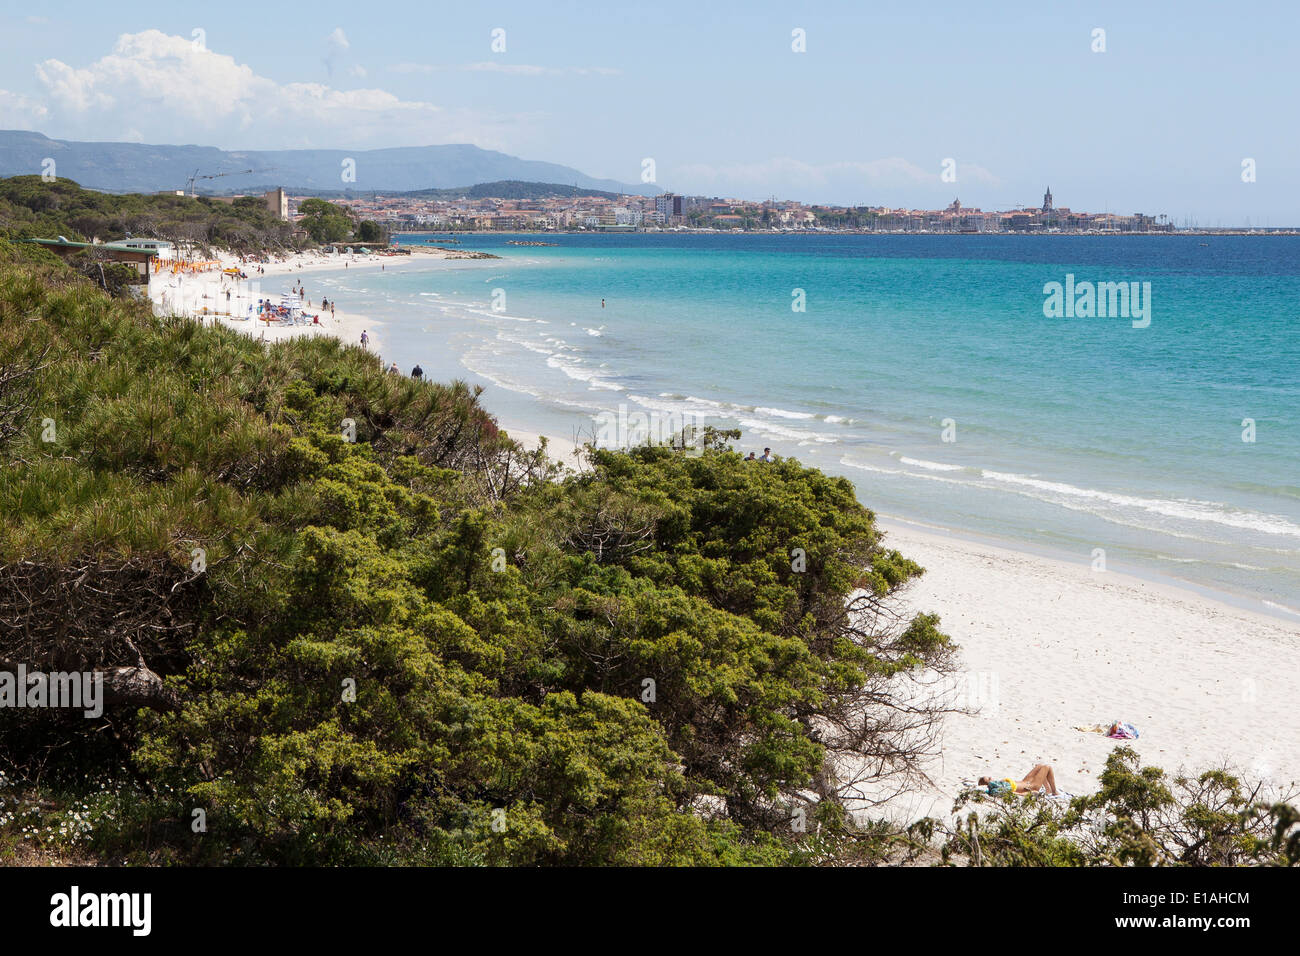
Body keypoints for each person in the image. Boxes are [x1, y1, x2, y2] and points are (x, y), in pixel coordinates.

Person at [979, 764, 1059, 796]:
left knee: (1039, 766)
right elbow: (1014, 793)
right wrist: (1031, 792)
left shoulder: (999, 783)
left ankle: (1048, 790)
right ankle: (1054, 791)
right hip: (1031, 786)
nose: (991, 777)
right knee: (1047, 767)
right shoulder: (998, 789)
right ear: (988, 783)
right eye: (989, 779)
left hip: (1025, 781)